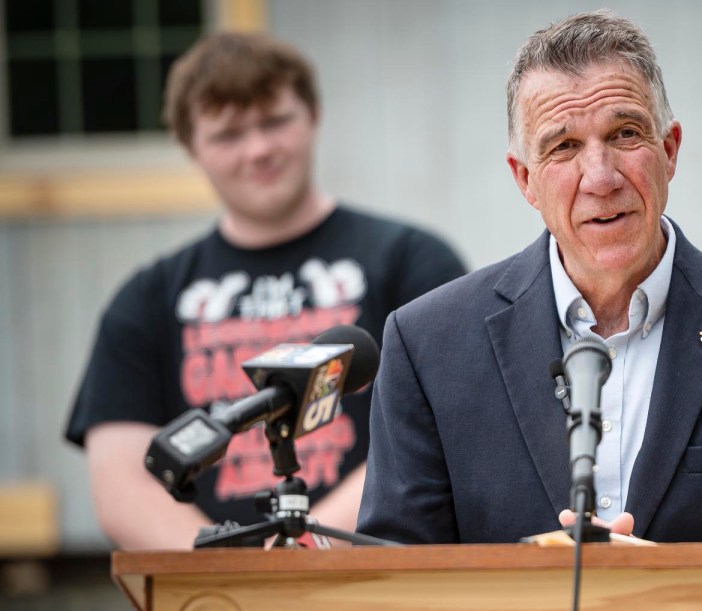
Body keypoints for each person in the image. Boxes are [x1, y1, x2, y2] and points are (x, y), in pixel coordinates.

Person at [357, 11, 702, 544]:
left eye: (625, 133)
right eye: (564, 146)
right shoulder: (426, 347)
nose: (601, 177)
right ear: (525, 179)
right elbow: (396, 573)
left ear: (669, 151)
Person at [65, 32, 466, 550]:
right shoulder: (145, 299)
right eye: (228, 134)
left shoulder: (413, 262)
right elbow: (124, 488)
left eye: (275, 122)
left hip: (378, 576)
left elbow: (443, 434)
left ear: (313, 116)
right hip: (217, 592)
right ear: (190, 147)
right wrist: (235, 573)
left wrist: (302, 551)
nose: (257, 149)